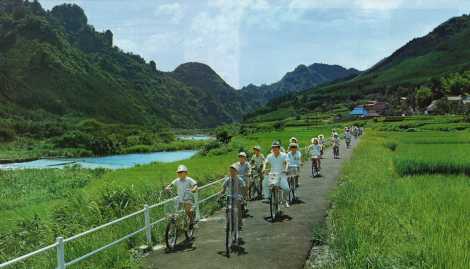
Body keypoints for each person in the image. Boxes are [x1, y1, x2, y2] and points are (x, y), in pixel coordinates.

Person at [263, 141, 290, 207]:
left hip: (281, 174)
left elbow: (287, 162)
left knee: (286, 189)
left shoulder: (284, 155)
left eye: (276, 147)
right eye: (273, 147)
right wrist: (263, 168)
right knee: (264, 182)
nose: (275, 149)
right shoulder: (270, 156)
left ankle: (284, 201)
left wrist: (286, 169)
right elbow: (265, 162)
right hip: (273, 175)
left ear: (279, 148)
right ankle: (267, 197)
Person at [220, 163, 245, 231]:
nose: (232, 172)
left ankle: (239, 223)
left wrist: (243, 195)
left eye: (233, 171)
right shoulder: (228, 179)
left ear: (236, 171)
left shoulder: (239, 179)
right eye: (230, 171)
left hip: (237, 196)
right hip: (229, 196)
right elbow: (223, 187)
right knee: (227, 210)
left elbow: (243, 187)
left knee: (238, 209)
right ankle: (228, 223)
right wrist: (221, 194)